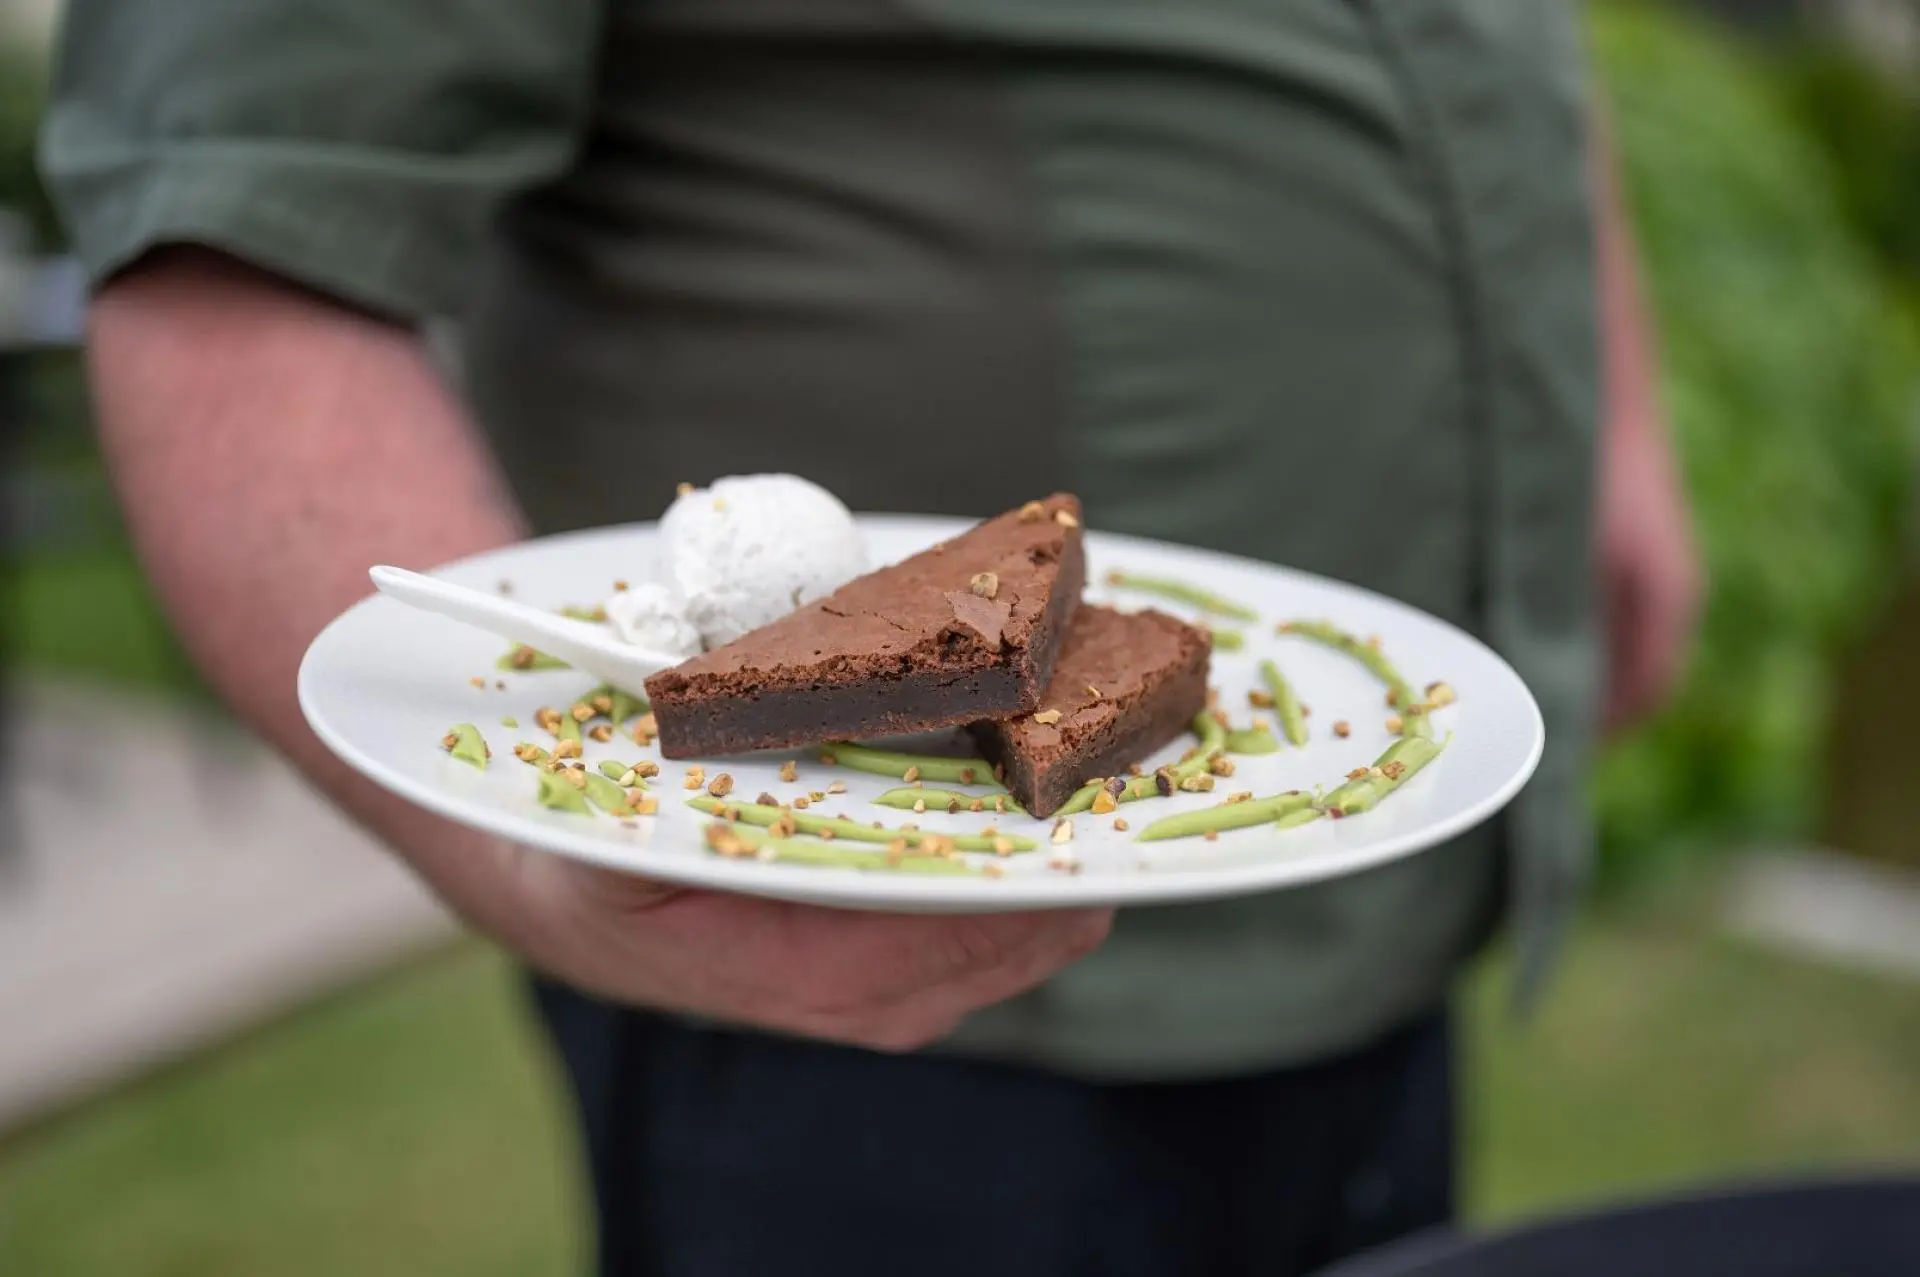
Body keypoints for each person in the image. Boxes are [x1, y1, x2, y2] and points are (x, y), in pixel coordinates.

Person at [40, 2, 1699, 1273]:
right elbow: (232, 239)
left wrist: (1612, 404)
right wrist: (536, 853)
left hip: (1376, 911)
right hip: (854, 1029)